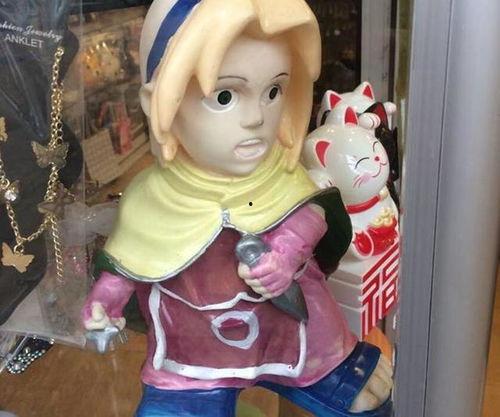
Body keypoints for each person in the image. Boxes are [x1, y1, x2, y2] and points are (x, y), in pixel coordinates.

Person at [82, 1, 393, 416]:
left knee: (359, 396)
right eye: (225, 96)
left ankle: (324, 366)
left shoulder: (283, 176)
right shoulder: (148, 198)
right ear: (159, 101)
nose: (255, 118)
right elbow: (129, 260)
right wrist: (106, 300)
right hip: (193, 346)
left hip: (290, 330)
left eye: (273, 92)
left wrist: (286, 254)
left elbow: (312, 214)